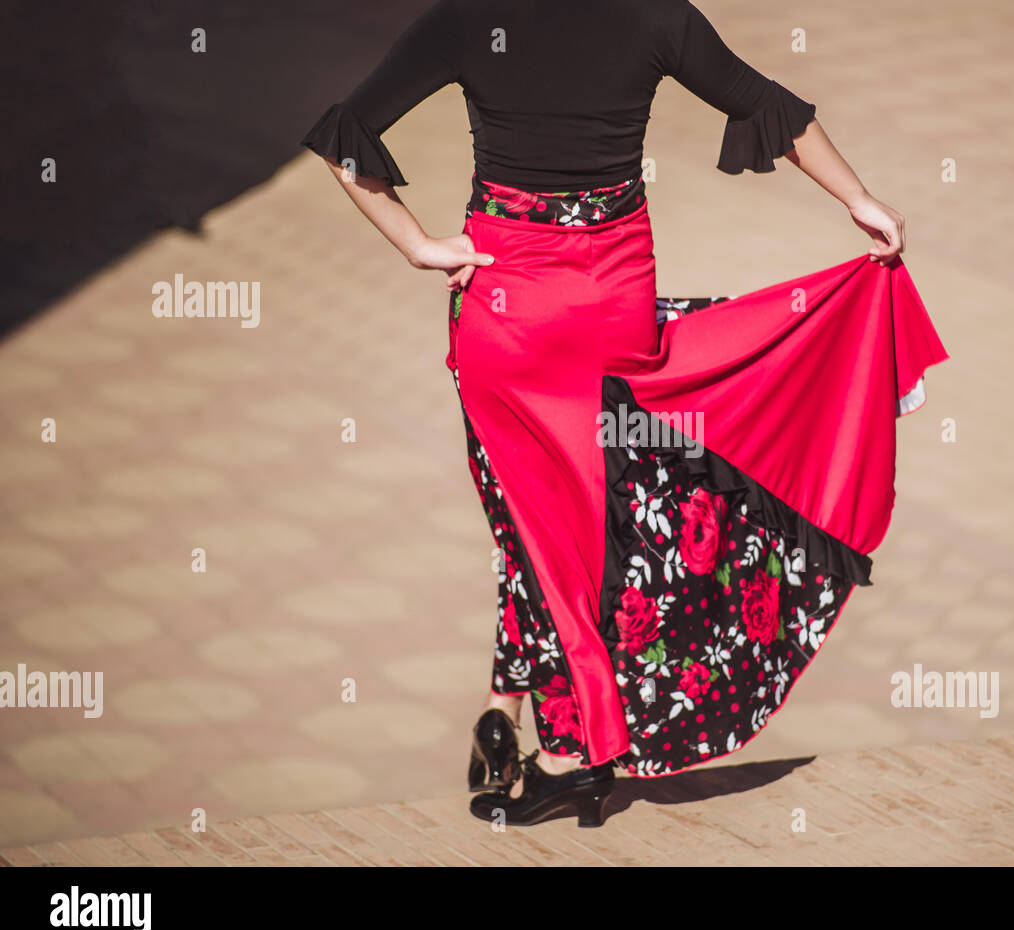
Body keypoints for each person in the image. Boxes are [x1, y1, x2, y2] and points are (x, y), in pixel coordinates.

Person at [301, 0, 948, 828]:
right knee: (574, 521)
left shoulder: (466, 17)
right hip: (613, 310)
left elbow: (344, 135)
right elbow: (765, 102)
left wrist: (419, 245)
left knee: (532, 522)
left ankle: (553, 742)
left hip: (507, 312)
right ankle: (516, 720)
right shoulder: (653, 16)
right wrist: (860, 199)